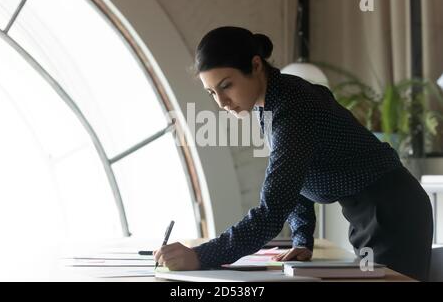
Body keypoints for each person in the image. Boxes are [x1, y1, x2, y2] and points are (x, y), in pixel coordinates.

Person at [154, 26, 433, 281]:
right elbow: (295, 178)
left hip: (392, 212)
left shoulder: (292, 106)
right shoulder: (272, 105)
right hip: (375, 211)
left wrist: (202, 255)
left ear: (255, 65)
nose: (222, 102)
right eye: (212, 93)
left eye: (226, 85)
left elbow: (272, 209)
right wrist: (302, 239)